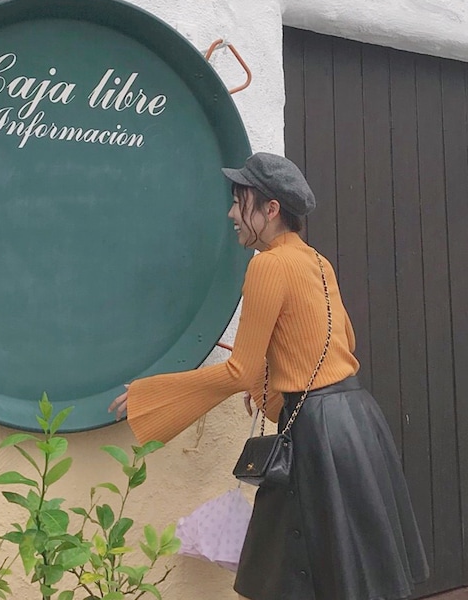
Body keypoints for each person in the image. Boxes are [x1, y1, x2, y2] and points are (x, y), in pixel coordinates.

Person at [109, 152, 429, 600]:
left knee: (301, 570)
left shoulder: (268, 265)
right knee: (344, 567)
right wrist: (274, 386)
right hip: (355, 421)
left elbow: (240, 370)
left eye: (239, 202)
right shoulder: (317, 261)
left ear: (271, 209)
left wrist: (152, 396)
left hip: (315, 432)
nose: (231, 214)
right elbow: (341, 341)